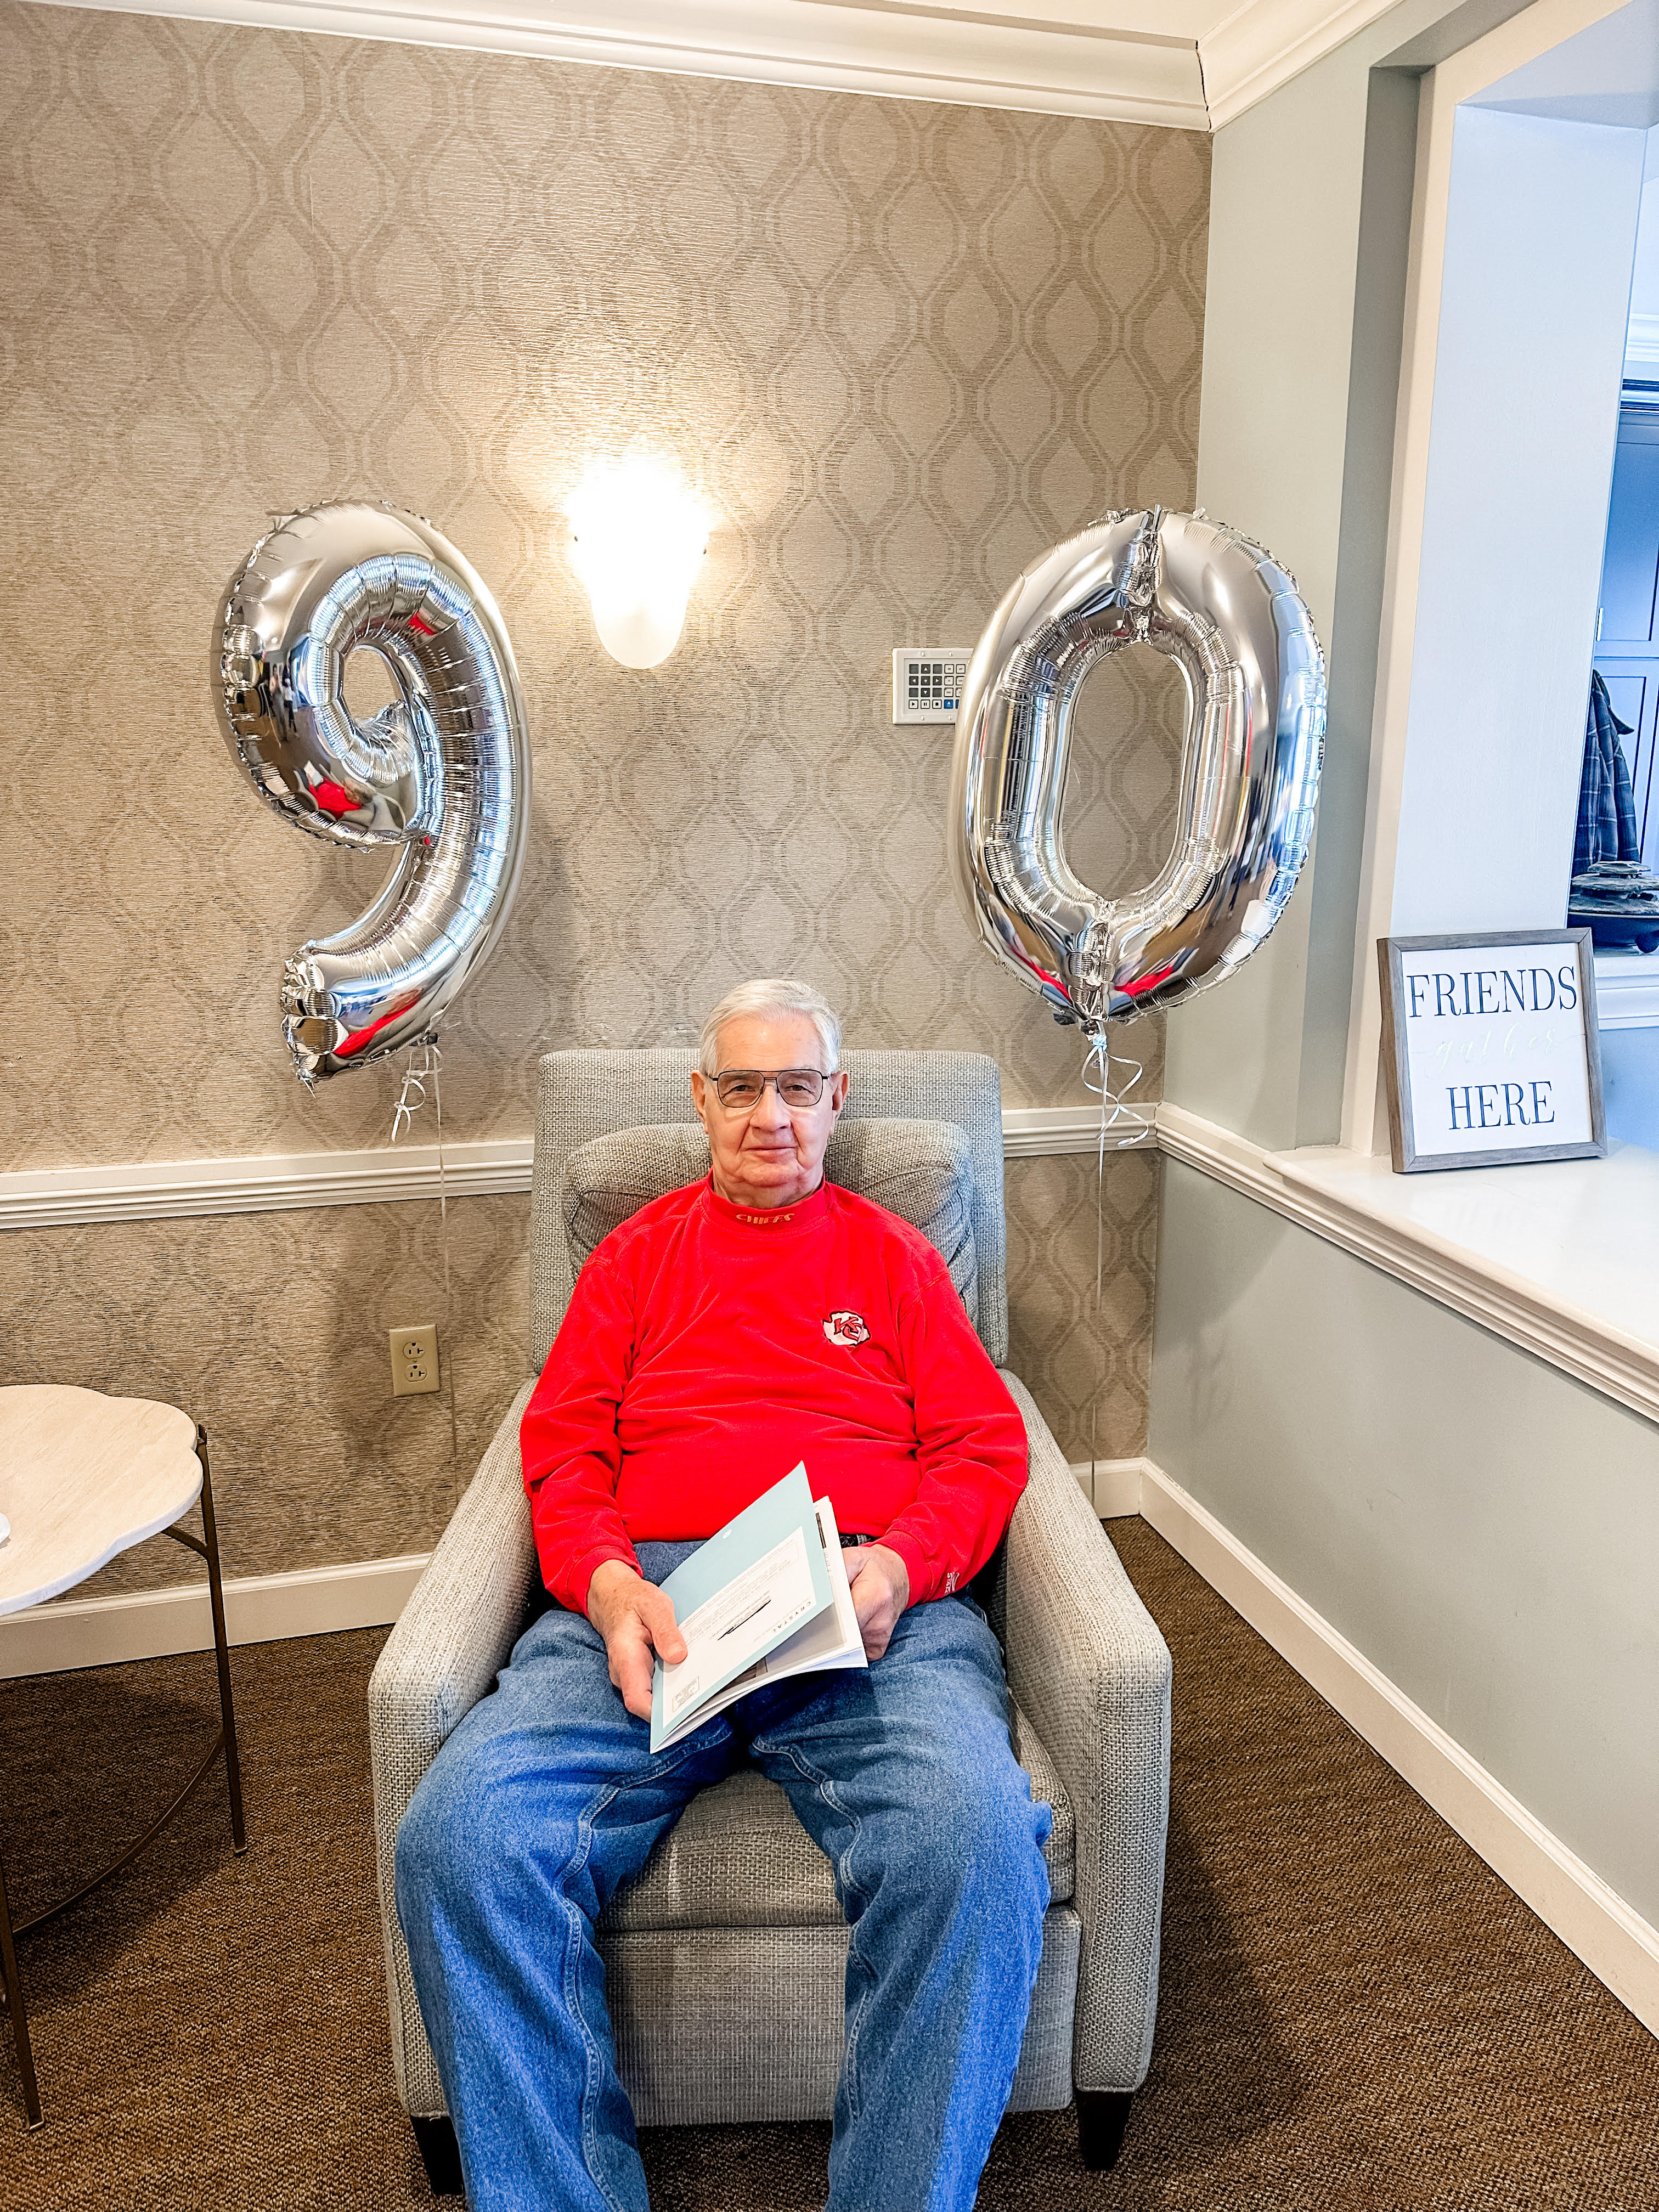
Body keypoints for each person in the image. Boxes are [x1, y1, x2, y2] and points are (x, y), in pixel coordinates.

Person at [396, 979, 1050, 2212]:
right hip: (656, 1604)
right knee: (466, 1842)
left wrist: (901, 1565)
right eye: (742, 1087)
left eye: (796, 1087)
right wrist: (604, 1585)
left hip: (863, 1604)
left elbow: (982, 1447)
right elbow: (563, 1452)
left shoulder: (897, 1259)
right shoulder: (634, 1261)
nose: (770, 1115)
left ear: (835, 1099)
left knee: (970, 1842)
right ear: (701, 1100)